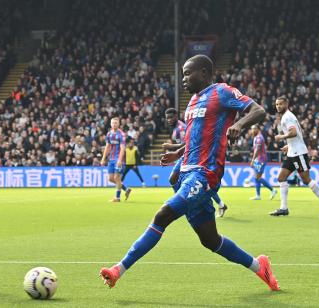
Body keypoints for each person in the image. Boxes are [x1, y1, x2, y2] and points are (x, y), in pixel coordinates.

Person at [100, 55, 279, 292]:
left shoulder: (222, 92)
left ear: (204, 72)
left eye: (187, 73)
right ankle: (260, 267)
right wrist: (179, 153)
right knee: (210, 240)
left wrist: (238, 125)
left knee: (162, 215)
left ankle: (118, 270)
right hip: (186, 171)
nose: (183, 79)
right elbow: (197, 136)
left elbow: (258, 110)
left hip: (205, 174)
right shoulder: (193, 101)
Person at [270, 96, 319, 217]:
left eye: (280, 104)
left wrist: (281, 137)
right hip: (292, 152)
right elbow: (299, 133)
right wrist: (288, 146)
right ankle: (283, 208)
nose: (278, 106)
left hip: (298, 153)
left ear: (286, 104)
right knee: (281, 178)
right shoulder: (287, 116)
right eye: (277, 104)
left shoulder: (287, 117)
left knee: (306, 179)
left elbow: (293, 133)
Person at [163, 108, 229, 218]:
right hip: (186, 155)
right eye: (167, 118)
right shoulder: (176, 128)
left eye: (171, 117)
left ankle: (180, 204)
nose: (169, 120)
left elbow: (188, 144)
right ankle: (220, 204)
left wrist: (172, 147)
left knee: (177, 179)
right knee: (180, 180)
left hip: (191, 156)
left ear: (176, 116)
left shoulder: (181, 128)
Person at [101, 117, 131, 202]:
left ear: (118, 124)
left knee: (117, 177)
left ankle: (117, 198)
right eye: (113, 123)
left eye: (116, 123)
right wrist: (103, 158)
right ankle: (126, 189)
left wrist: (120, 160)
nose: (114, 124)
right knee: (111, 179)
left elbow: (122, 148)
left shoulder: (121, 134)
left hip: (119, 159)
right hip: (111, 159)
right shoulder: (109, 134)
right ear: (111, 124)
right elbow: (107, 147)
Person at [249, 125, 277, 200]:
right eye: (252, 129)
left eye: (254, 129)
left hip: (261, 159)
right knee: (256, 177)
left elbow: (257, 150)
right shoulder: (256, 137)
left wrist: (252, 160)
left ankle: (272, 190)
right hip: (258, 159)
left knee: (257, 177)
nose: (252, 130)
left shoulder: (259, 138)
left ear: (258, 129)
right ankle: (258, 195)